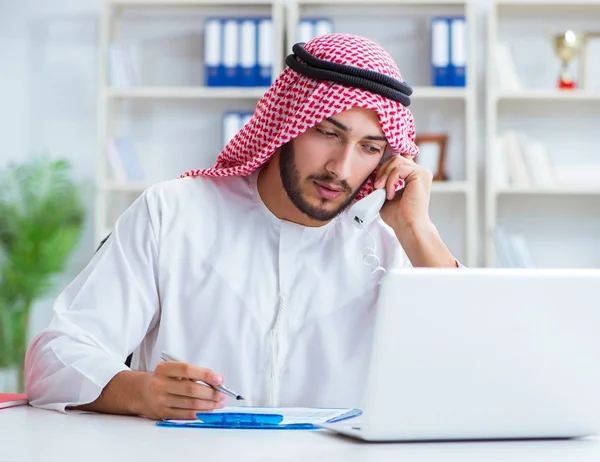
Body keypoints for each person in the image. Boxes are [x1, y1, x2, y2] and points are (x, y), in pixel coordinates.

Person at [25, 33, 461, 420]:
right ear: (288, 123)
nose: (341, 168)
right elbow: (54, 357)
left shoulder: (390, 241)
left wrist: (418, 232)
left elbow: (473, 367)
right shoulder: (174, 213)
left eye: (369, 148)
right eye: (327, 133)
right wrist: (141, 392)